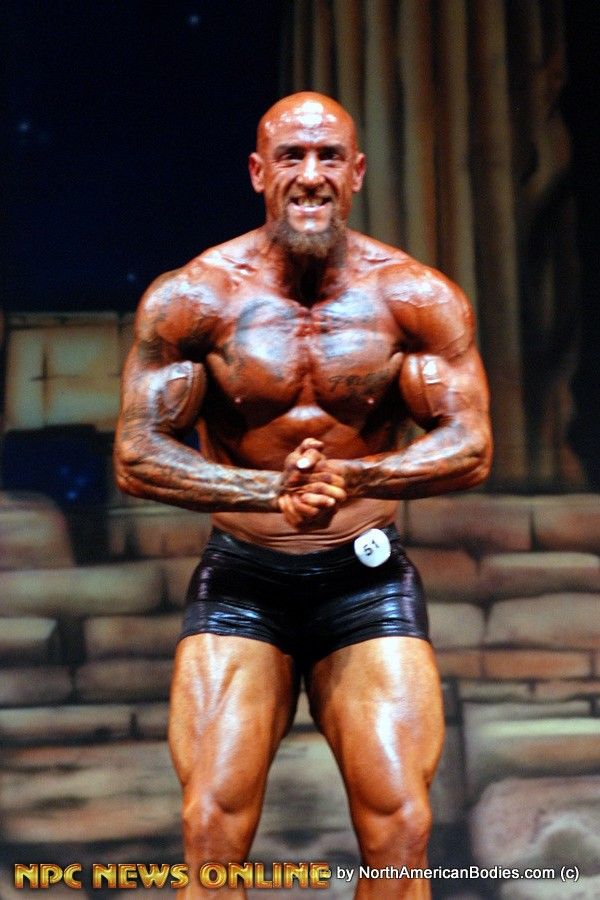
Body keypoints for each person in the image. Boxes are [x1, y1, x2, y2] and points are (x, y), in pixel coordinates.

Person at [114, 92, 492, 898]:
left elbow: (471, 445)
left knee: (403, 830)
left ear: (357, 173)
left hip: (365, 581)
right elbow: (137, 454)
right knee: (210, 831)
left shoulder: (415, 296)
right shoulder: (196, 296)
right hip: (245, 581)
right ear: (259, 172)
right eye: (292, 156)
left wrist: (358, 476)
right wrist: (266, 490)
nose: (311, 175)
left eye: (329, 158)